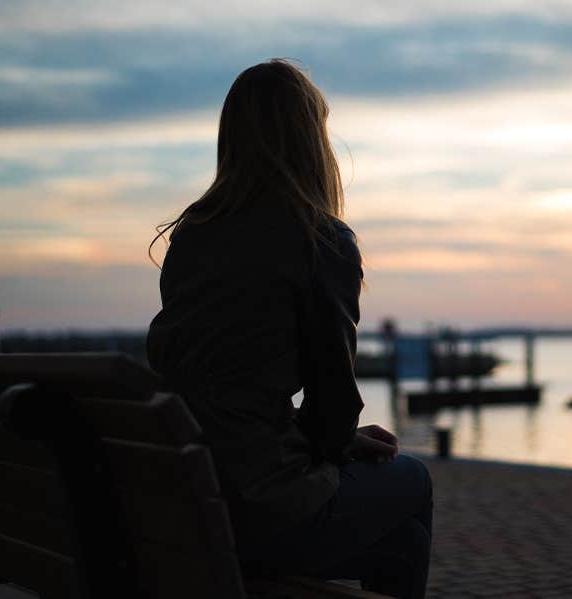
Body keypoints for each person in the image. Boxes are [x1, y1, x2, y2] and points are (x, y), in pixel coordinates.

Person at [145, 59, 432, 599]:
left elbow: (222, 389)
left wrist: (330, 435)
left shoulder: (192, 238)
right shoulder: (319, 239)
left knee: (405, 545)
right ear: (311, 143)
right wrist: (339, 438)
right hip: (257, 509)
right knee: (412, 479)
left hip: (185, 499)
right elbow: (332, 410)